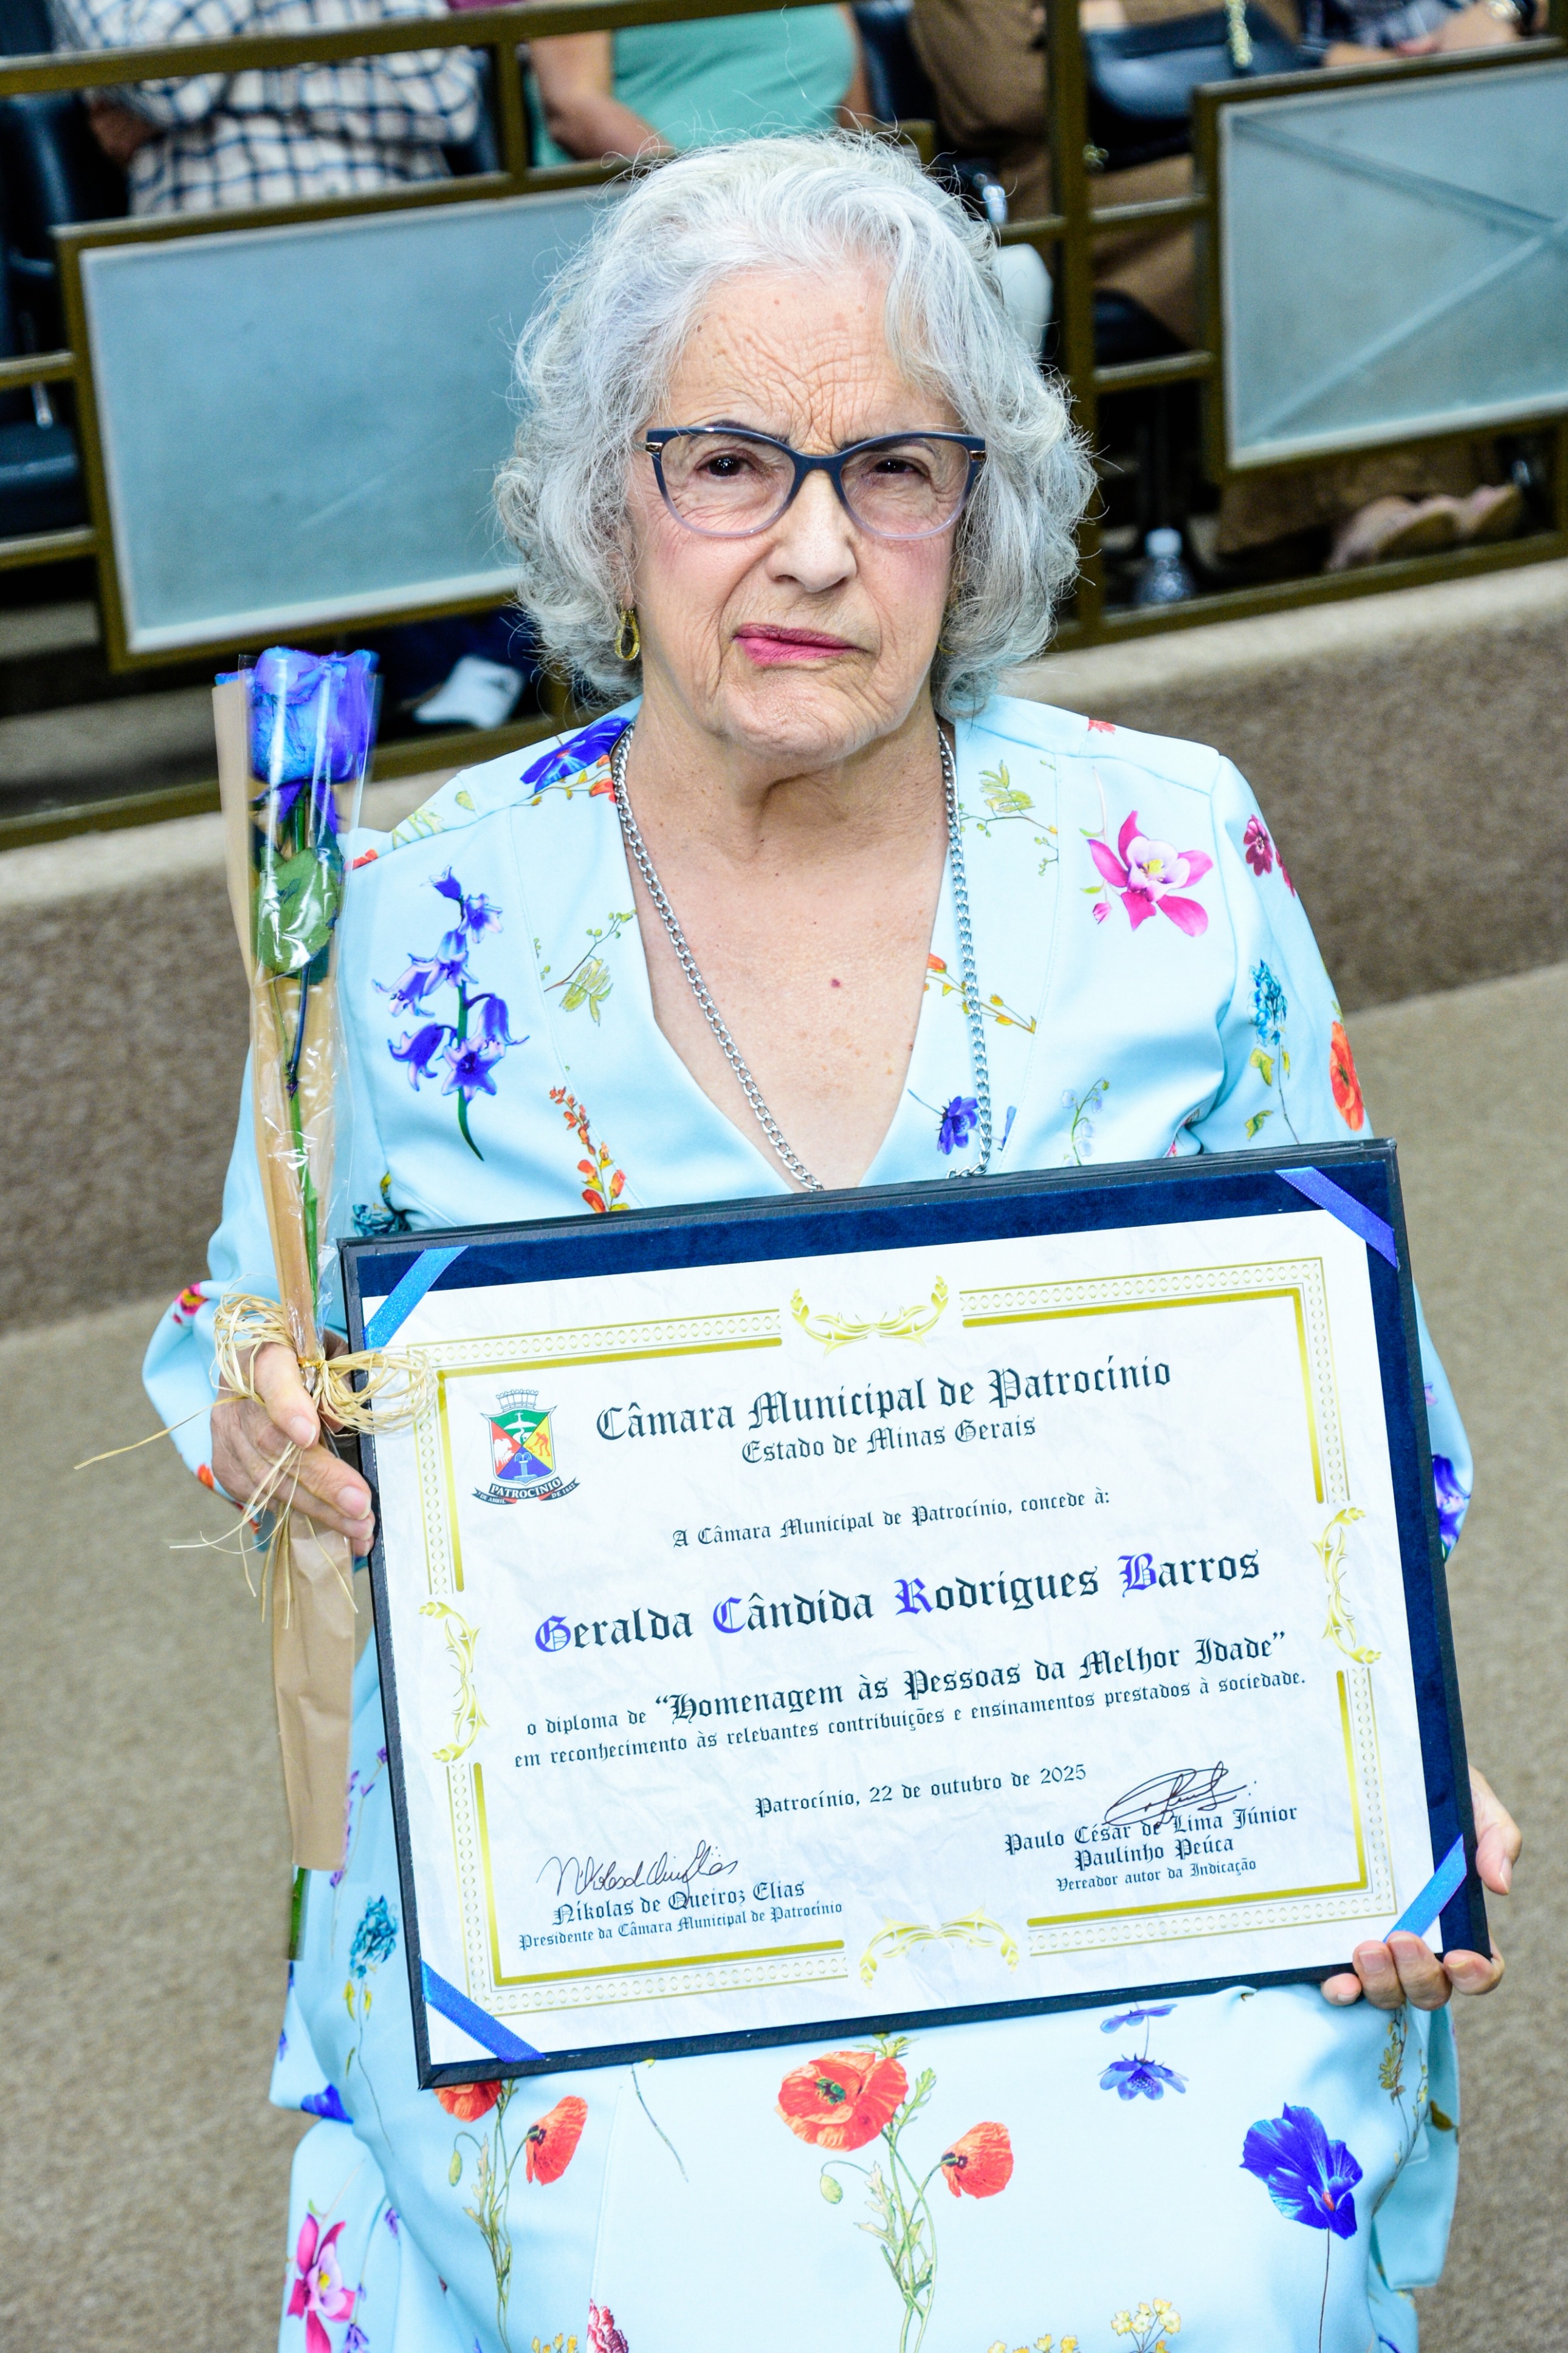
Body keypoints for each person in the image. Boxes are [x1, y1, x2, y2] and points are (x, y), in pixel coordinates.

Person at [144, 133, 1519, 2352]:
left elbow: (1345, 1402)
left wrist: (1385, 1767)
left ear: (976, 517)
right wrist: (267, 1408)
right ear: (608, 505)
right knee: (667, 2283)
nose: (810, 544)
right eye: (724, 464)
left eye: (890, 469)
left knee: (1194, 2268)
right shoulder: (411, 921)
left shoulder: (1170, 847)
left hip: (1111, 1817)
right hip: (626, 1872)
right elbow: (244, 1319)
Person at [523, 0, 867, 165]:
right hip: (650, 215)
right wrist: (704, 190)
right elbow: (573, 106)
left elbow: (859, 128)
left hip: (818, 214)